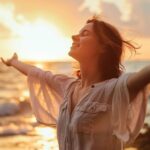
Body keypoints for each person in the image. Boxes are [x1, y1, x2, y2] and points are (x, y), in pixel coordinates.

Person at [1, 16, 150, 150]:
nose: (73, 36)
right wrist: (14, 62)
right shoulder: (69, 87)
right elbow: (38, 74)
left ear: (104, 47)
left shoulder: (114, 89)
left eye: (84, 34)